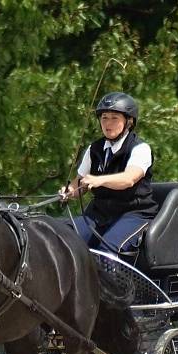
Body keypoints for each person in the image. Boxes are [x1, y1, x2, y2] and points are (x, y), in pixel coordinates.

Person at [60, 92, 157, 253]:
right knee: (63, 238)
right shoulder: (94, 149)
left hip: (132, 214)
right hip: (99, 213)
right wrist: (69, 191)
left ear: (129, 121)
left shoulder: (140, 148)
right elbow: (80, 183)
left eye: (114, 118)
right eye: (104, 118)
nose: (108, 123)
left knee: (106, 252)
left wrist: (99, 180)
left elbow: (129, 179)